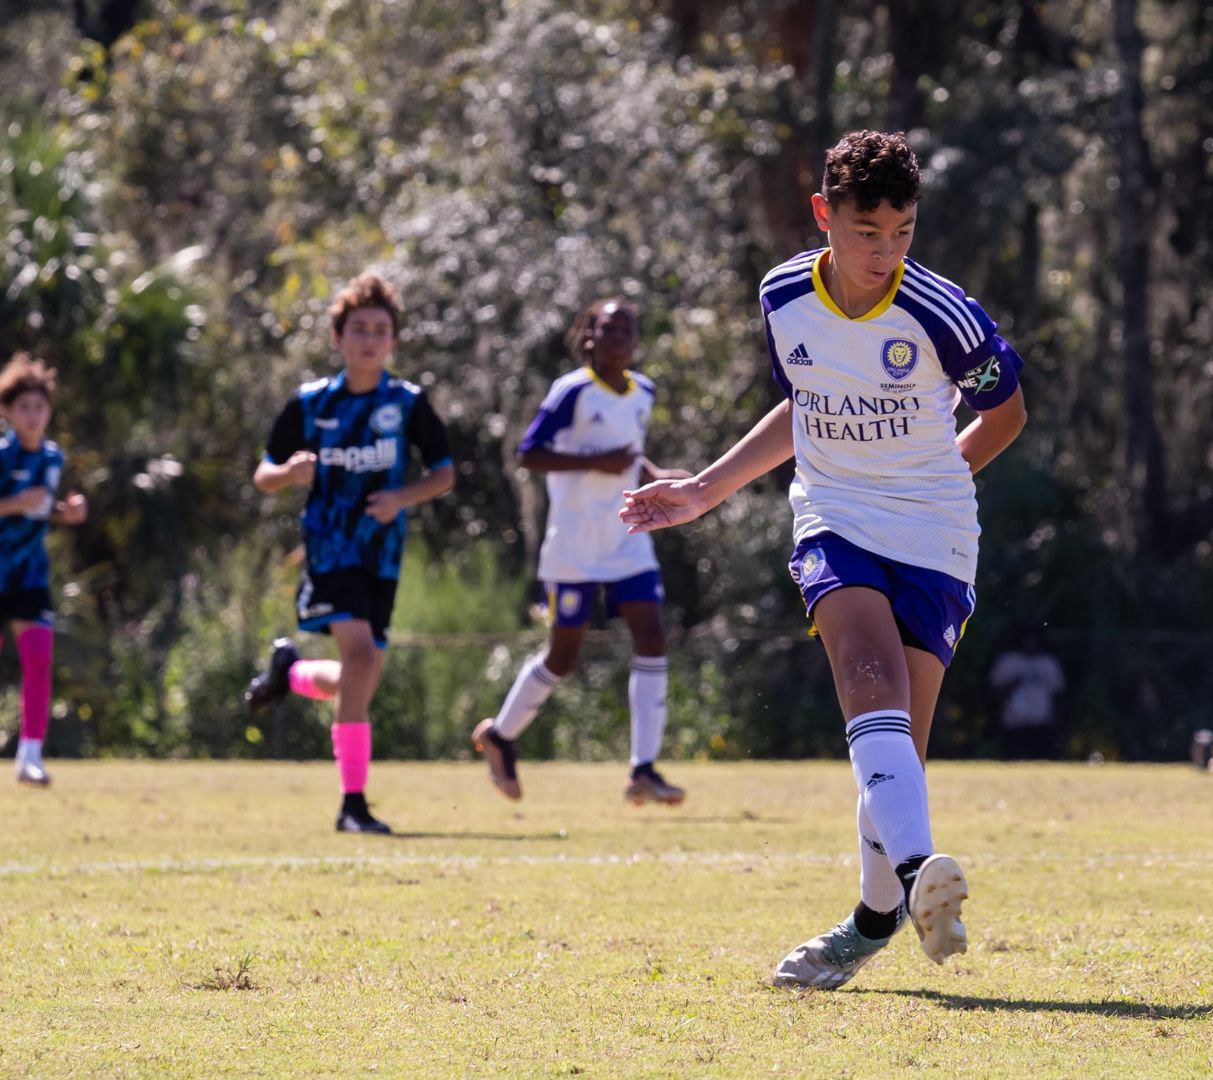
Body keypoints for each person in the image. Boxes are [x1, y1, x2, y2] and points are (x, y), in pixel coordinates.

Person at [620, 130, 1027, 989]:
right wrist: (707, 489)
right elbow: (803, 406)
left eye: (903, 231)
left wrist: (929, 474)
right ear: (825, 216)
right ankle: (921, 879)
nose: (885, 252)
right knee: (867, 677)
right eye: (867, 231)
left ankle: (875, 918)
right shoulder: (782, 296)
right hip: (834, 516)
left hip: (936, 533)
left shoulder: (943, 312)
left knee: (897, 758)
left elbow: (1008, 415)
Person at [244, 272, 455, 834]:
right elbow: (262, 474)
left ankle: (292, 673)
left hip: (383, 554)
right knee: (362, 663)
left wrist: (401, 498)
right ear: (338, 337)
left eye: (379, 330)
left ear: (393, 341)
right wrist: (287, 473)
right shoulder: (311, 405)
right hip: (331, 548)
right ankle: (352, 805)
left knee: (362, 677)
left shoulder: (408, 404)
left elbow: (444, 473)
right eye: (358, 328)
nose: (368, 339)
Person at [471, 298, 692, 806]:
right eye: (607, 329)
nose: (617, 338)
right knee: (563, 655)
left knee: (652, 635)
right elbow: (530, 452)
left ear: (636, 341)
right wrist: (596, 460)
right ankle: (501, 735)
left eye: (626, 330)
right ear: (587, 337)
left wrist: (661, 480)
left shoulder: (644, 392)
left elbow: (631, 457)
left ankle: (643, 769)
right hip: (574, 544)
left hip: (626, 538)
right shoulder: (570, 391)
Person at [0, 354, 87, 786]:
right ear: (7, 412)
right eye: (23, 408)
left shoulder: (54, 458)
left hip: (30, 572)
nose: (33, 416)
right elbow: (18, 504)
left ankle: (30, 755)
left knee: (38, 659)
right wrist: (16, 504)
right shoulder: (1, 455)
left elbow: (39, 507)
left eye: (39, 407)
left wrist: (64, 512)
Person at [988, 626, 1065, 759]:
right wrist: (1011, 686)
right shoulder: (1008, 662)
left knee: (1042, 761)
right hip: (1014, 724)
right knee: (1014, 761)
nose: (1030, 643)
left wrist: (1056, 721)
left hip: (1041, 724)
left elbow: (1058, 695)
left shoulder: (1048, 664)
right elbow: (994, 694)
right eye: (1027, 639)